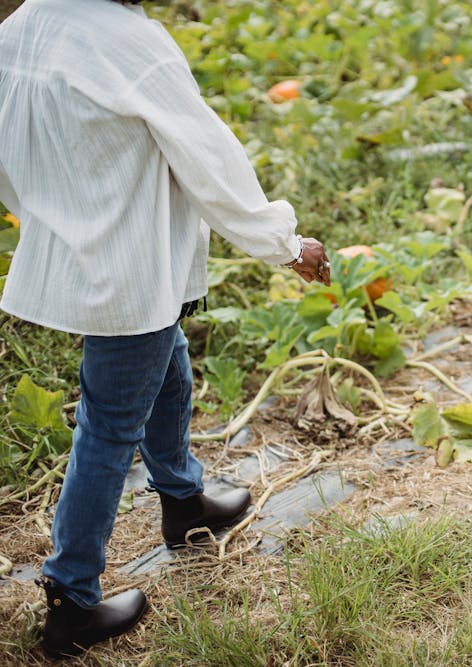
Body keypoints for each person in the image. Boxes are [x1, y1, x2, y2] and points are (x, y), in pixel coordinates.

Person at [0, 0, 332, 657]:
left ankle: (182, 496)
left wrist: (49, 212)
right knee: (109, 423)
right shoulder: (132, 45)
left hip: (81, 256)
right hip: (129, 266)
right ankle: (72, 596)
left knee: (168, 365)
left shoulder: (21, 28)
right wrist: (286, 245)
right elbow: (211, 163)